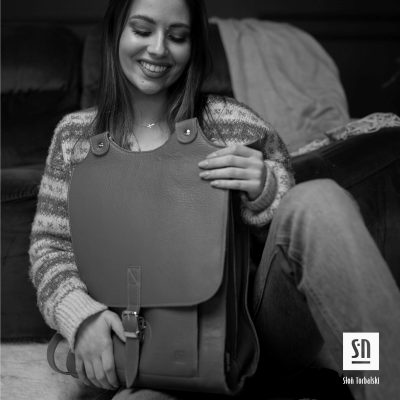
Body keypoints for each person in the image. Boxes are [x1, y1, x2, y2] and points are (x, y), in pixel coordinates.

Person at [29, 0, 400, 399]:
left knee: (319, 200)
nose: (159, 49)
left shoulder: (233, 123)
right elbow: (50, 246)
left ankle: (379, 382)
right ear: (115, 33)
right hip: (141, 354)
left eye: (177, 36)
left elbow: (296, 245)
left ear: (194, 46)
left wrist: (266, 191)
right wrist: (80, 318)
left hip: (255, 336)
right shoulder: (74, 137)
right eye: (142, 30)